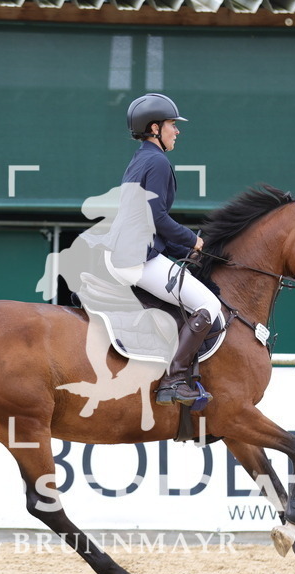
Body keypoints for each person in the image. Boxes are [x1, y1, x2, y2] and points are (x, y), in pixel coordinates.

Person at [114, 93, 223, 407]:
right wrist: (192, 240)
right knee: (208, 305)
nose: (177, 130)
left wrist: (181, 246)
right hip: (136, 259)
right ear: (154, 128)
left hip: (131, 249)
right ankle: (173, 380)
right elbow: (156, 216)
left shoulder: (141, 158)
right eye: (172, 124)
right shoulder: (158, 161)